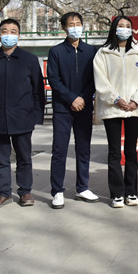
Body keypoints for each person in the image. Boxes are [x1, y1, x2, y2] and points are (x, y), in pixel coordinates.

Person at [0, 18, 45, 208]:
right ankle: (4, 193)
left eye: (13, 31)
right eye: (5, 31)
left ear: (19, 35)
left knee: (24, 157)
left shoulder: (29, 60)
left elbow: (38, 90)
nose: (9, 34)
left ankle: (25, 192)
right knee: (0, 160)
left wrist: (36, 116)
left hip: (22, 118)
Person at [94, 15, 138, 208]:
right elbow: (101, 81)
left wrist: (136, 101)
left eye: (128, 26)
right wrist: (116, 99)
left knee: (131, 152)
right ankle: (117, 193)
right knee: (114, 153)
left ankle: (131, 192)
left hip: (134, 109)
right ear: (114, 28)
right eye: (120, 25)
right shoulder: (103, 53)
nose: (124, 29)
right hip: (113, 108)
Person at [47, 12, 98, 209]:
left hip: (84, 107)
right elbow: (54, 79)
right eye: (71, 24)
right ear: (64, 28)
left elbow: (94, 79)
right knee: (59, 150)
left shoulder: (91, 51)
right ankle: (57, 191)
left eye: (78, 23)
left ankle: (82, 187)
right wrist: (71, 98)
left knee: (83, 148)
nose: (75, 27)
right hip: (63, 108)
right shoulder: (56, 52)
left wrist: (83, 98)